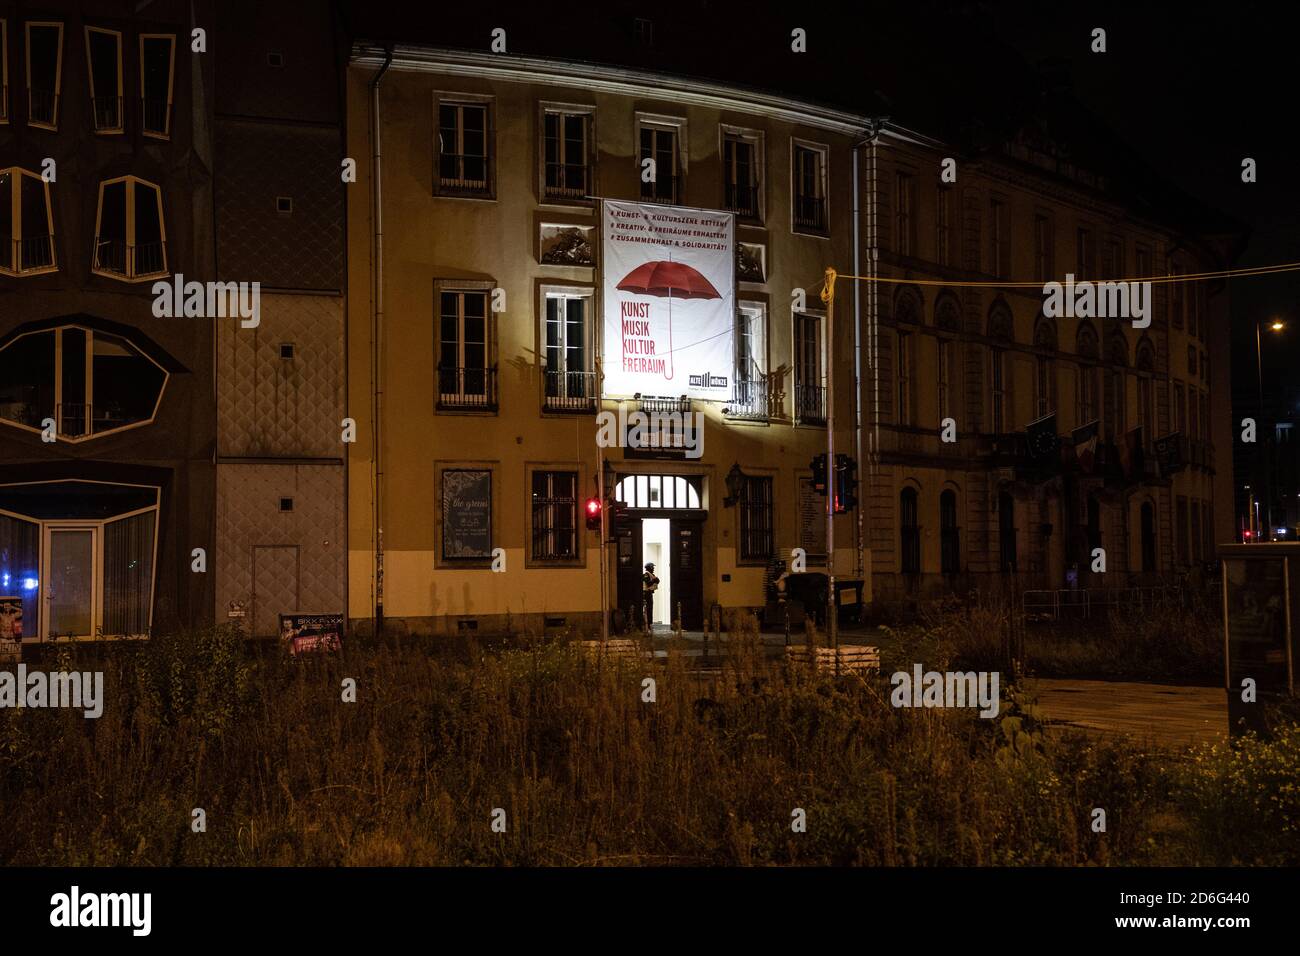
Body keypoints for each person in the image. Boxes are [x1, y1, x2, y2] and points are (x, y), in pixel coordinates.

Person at [642, 563, 660, 629]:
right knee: (648, 609)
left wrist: (655, 580)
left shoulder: (651, 575)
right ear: (649, 568)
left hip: (649, 593)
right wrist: (655, 580)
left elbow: (658, 581)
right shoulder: (646, 575)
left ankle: (650, 624)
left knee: (650, 609)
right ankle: (647, 624)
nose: (653, 569)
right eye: (652, 567)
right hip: (645, 593)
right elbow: (648, 584)